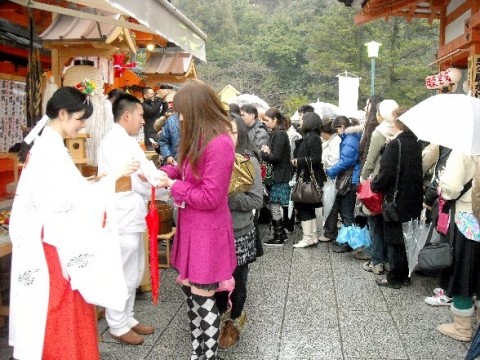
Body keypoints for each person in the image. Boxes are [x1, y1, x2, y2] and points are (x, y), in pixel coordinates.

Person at [8, 87, 140, 360]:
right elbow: (73, 201)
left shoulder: (49, 145)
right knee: (61, 307)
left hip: (50, 239)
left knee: (60, 305)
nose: (82, 125)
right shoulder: (51, 150)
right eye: (79, 119)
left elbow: (67, 194)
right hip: (54, 246)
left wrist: (94, 183)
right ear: (62, 113)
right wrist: (113, 177)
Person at [157, 79, 237, 360]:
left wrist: (173, 186)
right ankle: (197, 352)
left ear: (197, 109)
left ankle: (208, 355)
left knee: (203, 300)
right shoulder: (199, 138)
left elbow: (210, 197)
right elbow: (190, 175)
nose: (179, 117)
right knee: (192, 298)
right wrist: (169, 174)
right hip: (193, 228)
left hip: (208, 232)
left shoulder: (220, 143)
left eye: (182, 111)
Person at [97, 93, 169, 345]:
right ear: (126, 115)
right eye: (140, 116)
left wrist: (159, 181)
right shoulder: (114, 142)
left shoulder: (125, 140)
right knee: (123, 270)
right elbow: (137, 177)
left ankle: (127, 316)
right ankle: (117, 323)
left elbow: (143, 173)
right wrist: (163, 184)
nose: (142, 121)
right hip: (120, 213)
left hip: (131, 211)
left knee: (134, 268)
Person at [216, 113, 263, 348]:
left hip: (239, 231)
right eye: (222, 131)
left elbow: (256, 200)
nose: (227, 137)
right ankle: (215, 320)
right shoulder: (210, 160)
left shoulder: (248, 161)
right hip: (214, 233)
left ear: (240, 134)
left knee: (238, 282)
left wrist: (227, 195)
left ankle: (232, 324)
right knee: (214, 284)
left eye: (232, 132)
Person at [371, 107, 423, 289]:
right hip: (413, 198)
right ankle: (406, 274)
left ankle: (394, 277)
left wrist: (374, 184)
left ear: (399, 122)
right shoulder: (418, 142)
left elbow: (385, 174)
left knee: (394, 240)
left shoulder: (395, 145)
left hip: (396, 199)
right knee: (407, 238)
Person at [435, 151, 479, 342]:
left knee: (464, 270)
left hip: (467, 217)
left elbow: (452, 187)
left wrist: (441, 181)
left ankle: (462, 328)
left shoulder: (464, 148)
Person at [360, 99, 398, 273]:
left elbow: (370, 161)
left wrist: (363, 179)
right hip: (394, 185)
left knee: (374, 223)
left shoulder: (379, 133)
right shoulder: (401, 132)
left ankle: (376, 262)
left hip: (377, 182)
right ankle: (390, 261)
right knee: (388, 224)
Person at [325, 116, 362, 253]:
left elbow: (346, 161)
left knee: (347, 213)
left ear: (342, 127)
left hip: (350, 181)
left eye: (337, 130)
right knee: (346, 212)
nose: (337, 133)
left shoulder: (350, 139)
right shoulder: (352, 137)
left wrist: (331, 171)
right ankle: (347, 241)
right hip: (351, 179)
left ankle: (349, 243)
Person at [292, 112, 326, 248]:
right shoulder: (308, 137)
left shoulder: (313, 138)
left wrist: (298, 161)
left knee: (303, 205)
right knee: (307, 206)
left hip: (308, 177)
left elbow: (316, 159)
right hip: (306, 175)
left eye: (302, 119)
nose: (299, 122)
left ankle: (308, 237)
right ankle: (311, 236)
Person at [260, 108, 292, 246]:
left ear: (275, 120)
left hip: (279, 175)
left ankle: (278, 235)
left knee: (274, 205)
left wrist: (264, 154)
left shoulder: (279, 134)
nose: (265, 123)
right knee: (275, 205)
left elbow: (276, 157)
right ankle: (281, 233)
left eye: (267, 120)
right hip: (280, 174)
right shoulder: (279, 133)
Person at [318, 118, 341, 242]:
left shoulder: (335, 142)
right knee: (328, 203)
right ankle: (329, 231)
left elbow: (333, 160)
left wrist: (323, 164)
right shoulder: (329, 141)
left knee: (330, 204)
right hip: (328, 178)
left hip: (332, 178)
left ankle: (330, 232)